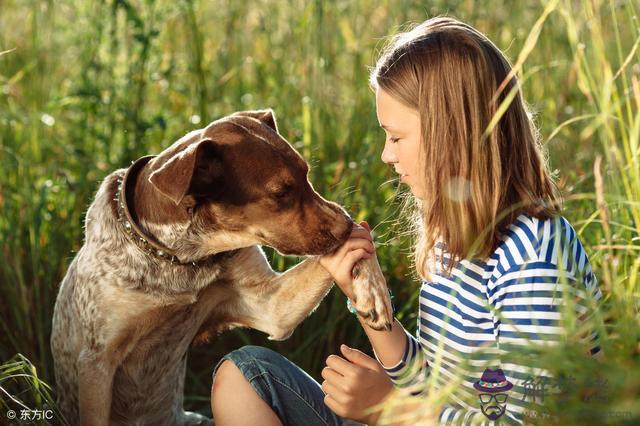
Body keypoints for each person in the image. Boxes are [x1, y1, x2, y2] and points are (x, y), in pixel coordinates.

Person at [210, 16, 602, 425]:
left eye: (396, 137)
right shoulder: (454, 237)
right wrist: (371, 307)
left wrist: (390, 409)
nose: (387, 155)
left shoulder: (532, 259)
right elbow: (432, 386)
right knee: (247, 376)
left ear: (450, 134)